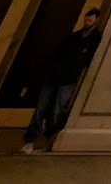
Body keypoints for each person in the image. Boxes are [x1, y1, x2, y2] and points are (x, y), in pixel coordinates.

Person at [21, 8, 102, 154]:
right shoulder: (74, 37)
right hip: (56, 75)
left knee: (57, 110)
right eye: (86, 19)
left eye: (89, 19)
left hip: (69, 78)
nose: (86, 22)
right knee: (41, 108)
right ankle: (31, 140)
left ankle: (49, 140)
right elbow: (59, 53)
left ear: (96, 20)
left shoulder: (95, 38)